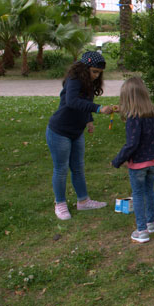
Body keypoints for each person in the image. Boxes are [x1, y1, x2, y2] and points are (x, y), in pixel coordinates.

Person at [47, 51, 114, 220]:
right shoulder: (74, 80)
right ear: (84, 69)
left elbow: (85, 103)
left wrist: (88, 120)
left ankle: (83, 201)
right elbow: (72, 102)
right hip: (60, 131)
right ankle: (60, 204)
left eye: (99, 73)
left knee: (78, 167)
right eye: (94, 71)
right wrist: (98, 109)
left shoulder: (89, 84)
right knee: (61, 169)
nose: (96, 75)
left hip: (76, 132)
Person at [111, 77, 154, 244]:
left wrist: (118, 160)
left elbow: (132, 144)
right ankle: (150, 223)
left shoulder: (133, 118)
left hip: (139, 164)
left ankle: (141, 230)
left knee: (138, 193)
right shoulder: (153, 113)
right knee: (149, 191)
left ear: (127, 98)